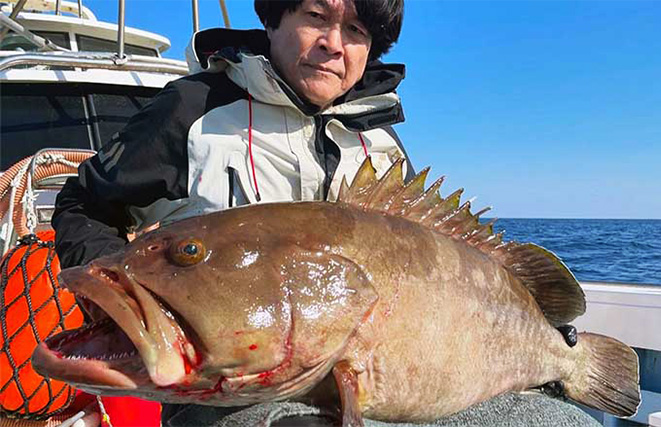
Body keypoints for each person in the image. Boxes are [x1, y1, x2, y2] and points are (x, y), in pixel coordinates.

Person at [51, 0, 600, 425]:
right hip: (229, 398)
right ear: (274, 19)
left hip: (362, 386)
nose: (332, 45)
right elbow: (82, 205)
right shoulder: (191, 112)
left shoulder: (381, 146)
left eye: (357, 32)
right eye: (315, 16)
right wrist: (122, 282)